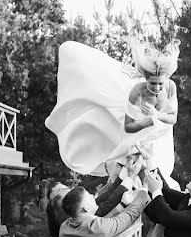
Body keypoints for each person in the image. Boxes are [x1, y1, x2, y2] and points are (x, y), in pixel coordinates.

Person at [45, 28, 180, 180]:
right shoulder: (136, 92)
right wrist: (146, 122)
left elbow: (172, 118)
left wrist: (157, 116)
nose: (157, 88)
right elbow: (128, 127)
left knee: (160, 170)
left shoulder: (170, 87)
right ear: (146, 79)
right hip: (133, 130)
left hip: (158, 131)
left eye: (160, 84)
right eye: (152, 84)